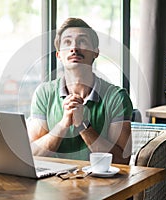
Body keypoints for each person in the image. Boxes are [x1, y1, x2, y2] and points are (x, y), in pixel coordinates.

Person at [28, 18, 133, 164]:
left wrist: (83, 125)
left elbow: (122, 161)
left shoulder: (117, 97)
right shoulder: (43, 93)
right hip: (51, 183)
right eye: (67, 42)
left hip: (100, 184)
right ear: (58, 55)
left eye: (82, 41)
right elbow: (32, 154)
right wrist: (63, 124)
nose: (74, 48)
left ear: (95, 52)